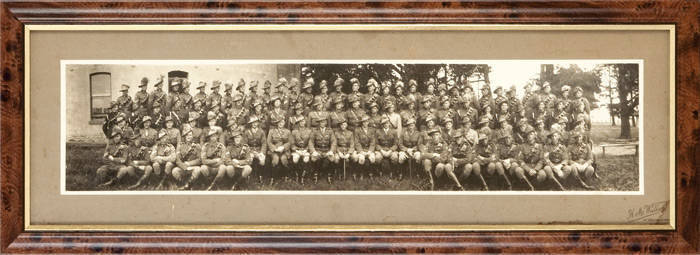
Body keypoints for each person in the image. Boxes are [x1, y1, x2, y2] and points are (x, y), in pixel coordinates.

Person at [309, 117, 336, 183]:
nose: (322, 123)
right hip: (318, 149)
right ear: (319, 123)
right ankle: (316, 174)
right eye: (321, 122)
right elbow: (311, 142)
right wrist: (313, 151)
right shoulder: (314, 131)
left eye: (324, 122)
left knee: (332, 158)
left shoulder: (330, 131)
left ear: (326, 123)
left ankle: (329, 175)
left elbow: (334, 141)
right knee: (314, 158)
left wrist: (331, 151)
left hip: (327, 149)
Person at [267, 117, 291, 183]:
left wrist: (283, 147)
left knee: (284, 159)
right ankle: (272, 178)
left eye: (282, 122)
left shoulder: (287, 131)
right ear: (277, 123)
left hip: (284, 150)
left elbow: (289, 142)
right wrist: (275, 148)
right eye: (279, 122)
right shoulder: (271, 131)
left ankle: (286, 176)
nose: (281, 124)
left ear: (284, 123)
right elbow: (268, 141)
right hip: (274, 150)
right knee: (275, 160)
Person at [244, 116, 267, 183]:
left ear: (258, 123)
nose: (254, 124)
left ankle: (260, 176)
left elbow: (264, 143)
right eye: (253, 122)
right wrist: (249, 151)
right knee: (249, 159)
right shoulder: (247, 132)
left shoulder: (261, 131)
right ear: (251, 123)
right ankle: (248, 176)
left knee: (262, 159)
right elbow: (245, 144)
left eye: (256, 122)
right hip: (250, 149)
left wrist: (262, 152)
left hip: (258, 149)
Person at [353, 115, 376, 180]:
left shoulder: (371, 130)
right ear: (362, 123)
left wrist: (370, 151)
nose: (365, 123)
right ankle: (361, 173)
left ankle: (370, 173)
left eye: (366, 122)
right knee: (361, 159)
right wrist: (361, 151)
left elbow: (373, 142)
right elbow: (357, 142)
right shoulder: (357, 130)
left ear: (368, 122)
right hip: (361, 149)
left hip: (369, 149)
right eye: (363, 122)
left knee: (372, 158)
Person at [290, 116, 312, 183]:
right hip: (297, 150)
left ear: (305, 122)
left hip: (306, 149)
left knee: (306, 159)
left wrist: (307, 149)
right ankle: (297, 175)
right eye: (300, 122)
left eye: (303, 121)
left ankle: (303, 176)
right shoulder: (294, 131)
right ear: (298, 123)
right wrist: (296, 150)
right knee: (295, 159)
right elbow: (292, 143)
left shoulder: (309, 131)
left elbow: (311, 142)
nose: (302, 123)